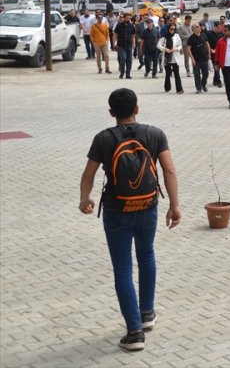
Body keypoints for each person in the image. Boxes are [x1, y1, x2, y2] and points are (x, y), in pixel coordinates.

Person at [78, 88, 180, 353]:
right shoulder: (155, 134)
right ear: (138, 108)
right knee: (146, 256)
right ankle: (147, 313)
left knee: (123, 269)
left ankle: (134, 332)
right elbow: (169, 169)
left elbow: (88, 174)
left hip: (117, 210)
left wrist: (84, 198)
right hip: (148, 206)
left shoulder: (103, 139)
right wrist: (175, 206)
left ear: (111, 113)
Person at [157, 24, 184, 94]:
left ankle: (179, 89)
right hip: (167, 57)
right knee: (168, 73)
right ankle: (167, 88)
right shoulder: (164, 37)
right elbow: (158, 45)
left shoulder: (176, 36)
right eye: (171, 29)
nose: (172, 30)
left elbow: (180, 45)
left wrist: (176, 49)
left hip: (175, 57)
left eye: (174, 29)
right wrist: (165, 49)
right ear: (168, 29)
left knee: (177, 74)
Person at [186, 22, 211, 94]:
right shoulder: (191, 38)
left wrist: (209, 53)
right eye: (197, 27)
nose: (199, 27)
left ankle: (203, 84)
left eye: (199, 26)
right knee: (197, 74)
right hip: (196, 60)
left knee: (206, 73)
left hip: (204, 58)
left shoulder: (203, 35)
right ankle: (198, 88)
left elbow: (207, 44)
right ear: (193, 29)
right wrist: (192, 59)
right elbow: (188, 49)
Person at [112, 14, 136, 79]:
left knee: (129, 60)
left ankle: (128, 74)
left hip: (129, 45)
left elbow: (133, 36)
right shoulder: (119, 26)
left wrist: (134, 44)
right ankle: (122, 72)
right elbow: (115, 35)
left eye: (129, 18)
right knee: (123, 58)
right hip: (121, 45)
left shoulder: (132, 26)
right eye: (127, 18)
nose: (128, 19)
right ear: (124, 18)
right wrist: (113, 44)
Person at [205, 21, 224, 88]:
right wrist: (210, 50)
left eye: (221, 28)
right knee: (216, 67)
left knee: (218, 67)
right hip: (212, 54)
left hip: (220, 53)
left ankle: (215, 80)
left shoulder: (221, 34)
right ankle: (218, 81)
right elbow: (206, 44)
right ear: (215, 27)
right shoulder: (208, 34)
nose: (220, 29)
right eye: (219, 28)